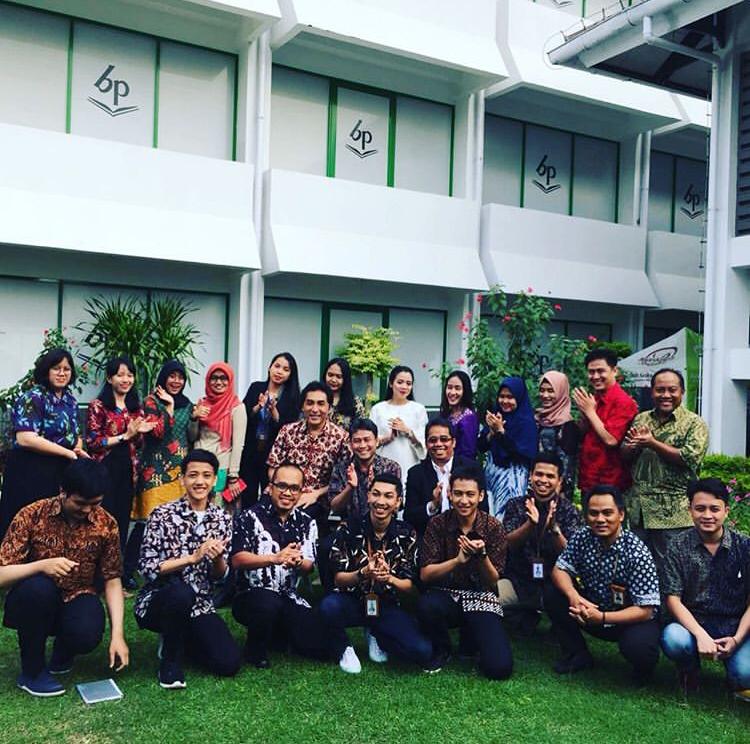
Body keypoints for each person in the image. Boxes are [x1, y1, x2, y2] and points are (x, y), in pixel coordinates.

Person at [0, 459, 128, 697]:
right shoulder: (32, 514)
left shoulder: (106, 524)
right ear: (63, 491)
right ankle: (32, 672)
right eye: (80, 503)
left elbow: (112, 579)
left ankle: (64, 650)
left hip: (77, 594)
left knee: (87, 631)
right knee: (38, 590)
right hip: (33, 597)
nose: (87, 510)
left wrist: (118, 635)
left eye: (95, 503)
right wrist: (42, 566)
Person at [135, 449, 241, 689]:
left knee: (228, 663)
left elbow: (220, 576)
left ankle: (183, 637)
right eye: (193, 475)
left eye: (206, 475)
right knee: (181, 593)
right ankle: (169, 660)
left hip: (200, 604)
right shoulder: (162, 514)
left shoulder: (222, 518)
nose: (199, 481)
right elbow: (147, 568)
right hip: (160, 599)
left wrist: (217, 559)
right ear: (182, 479)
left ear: (215, 480)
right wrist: (192, 558)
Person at [547, 485, 661, 683]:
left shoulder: (637, 552)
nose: (600, 519)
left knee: (640, 646)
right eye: (593, 513)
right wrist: (574, 596)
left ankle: (642, 671)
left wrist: (602, 618)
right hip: (590, 608)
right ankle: (577, 654)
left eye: (607, 513)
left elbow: (646, 610)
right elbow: (560, 569)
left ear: (621, 515)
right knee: (553, 594)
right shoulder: (583, 536)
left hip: (627, 619)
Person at [321, 473, 433, 673]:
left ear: (398, 502)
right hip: (352, 600)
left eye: (388, 496)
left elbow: (410, 587)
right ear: (368, 496)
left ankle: (376, 633)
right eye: (376, 494)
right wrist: (363, 573)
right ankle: (344, 648)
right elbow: (338, 579)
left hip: (385, 604)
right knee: (328, 607)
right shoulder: (349, 528)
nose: (381, 501)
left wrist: (389, 578)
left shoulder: (407, 534)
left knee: (422, 651)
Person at [231, 462, 337, 669]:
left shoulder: (307, 522)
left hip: (288, 596)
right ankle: (255, 649)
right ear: (270, 487)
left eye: (294, 488)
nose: (287, 493)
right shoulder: (250, 517)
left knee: (323, 647)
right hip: (252, 595)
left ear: (301, 492)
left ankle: (278, 635)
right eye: (282, 486)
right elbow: (237, 559)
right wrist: (274, 558)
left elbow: (309, 566)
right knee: (267, 605)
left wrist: (298, 562)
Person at [417, 464, 513, 680]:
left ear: (481, 496)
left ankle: (471, 642)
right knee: (426, 604)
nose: (463, 500)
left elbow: (494, 581)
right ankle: (442, 648)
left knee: (499, 668)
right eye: (458, 494)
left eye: (470, 494)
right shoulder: (438, 524)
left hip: (481, 597)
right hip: (446, 595)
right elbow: (425, 574)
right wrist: (457, 561)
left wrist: (482, 556)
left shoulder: (493, 527)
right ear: (449, 495)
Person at [661, 478, 750, 700]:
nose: (707, 515)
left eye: (714, 509)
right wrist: (701, 635)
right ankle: (689, 670)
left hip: (734, 625)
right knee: (674, 639)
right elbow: (672, 599)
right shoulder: (677, 546)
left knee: (744, 675)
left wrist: (736, 639)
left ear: (726, 511)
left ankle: (735, 671)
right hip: (694, 623)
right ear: (690, 510)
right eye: (700, 509)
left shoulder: (744, 546)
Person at [622, 368, 709, 576]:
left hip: (672, 514)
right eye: (660, 390)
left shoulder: (694, 423)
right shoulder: (641, 419)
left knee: (671, 572)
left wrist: (652, 443)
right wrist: (631, 447)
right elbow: (624, 456)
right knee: (637, 570)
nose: (666, 395)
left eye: (672, 390)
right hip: (638, 511)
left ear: (682, 392)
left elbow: (689, 458)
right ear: (652, 392)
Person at [0, 348, 87, 541]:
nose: (62, 373)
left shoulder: (70, 400)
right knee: (26, 525)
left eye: (66, 369)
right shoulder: (34, 397)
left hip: (59, 470)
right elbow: (26, 438)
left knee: (52, 526)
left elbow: (76, 434)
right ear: (46, 371)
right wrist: (67, 453)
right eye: (56, 368)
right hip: (30, 469)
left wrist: (77, 449)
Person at [124, 359, 194, 588]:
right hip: (155, 469)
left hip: (179, 470)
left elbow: (191, 435)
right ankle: (127, 571)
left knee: (175, 520)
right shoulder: (151, 402)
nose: (176, 381)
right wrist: (169, 407)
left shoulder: (188, 404)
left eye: (180, 377)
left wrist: (196, 418)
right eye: (172, 376)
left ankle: (171, 569)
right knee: (146, 521)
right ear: (163, 377)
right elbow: (157, 433)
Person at [499, 454, 582, 628]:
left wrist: (554, 529)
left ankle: (558, 627)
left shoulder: (569, 511)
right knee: (487, 601)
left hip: (554, 584)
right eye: (539, 474)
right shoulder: (516, 505)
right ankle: (522, 616)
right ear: (531, 476)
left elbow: (573, 556)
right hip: (518, 580)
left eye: (550, 476)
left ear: (559, 481)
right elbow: (507, 544)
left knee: (568, 600)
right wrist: (530, 525)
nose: (543, 480)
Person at [87, 356, 155, 557]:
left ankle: (118, 565)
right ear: (110, 378)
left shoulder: (135, 408)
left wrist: (140, 433)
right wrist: (125, 435)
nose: (126, 380)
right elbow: (93, 442)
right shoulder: (98, 406)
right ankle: (97, 563)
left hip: (127, 470)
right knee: (102, 517)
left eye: (130, 375)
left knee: (123, 519)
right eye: (120, 375)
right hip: (104, 468)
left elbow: (138, 444)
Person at [266, 381, 350, 523]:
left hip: (316, 499)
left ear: (329, 408)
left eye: (320, 404)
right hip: (282, 492)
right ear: (302, 406)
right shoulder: (287, 431)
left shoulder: (341, 438)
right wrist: (285, 490)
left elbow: (343, 480)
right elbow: (273, 467)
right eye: (310, 403)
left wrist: (316, 493)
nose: (315, 409)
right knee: (255, 515)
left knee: (297, 519)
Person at [239, 352, 301, 509]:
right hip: (251, 451)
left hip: (274, 455)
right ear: (269, 368)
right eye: (277, 366)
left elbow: (289, 428)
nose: (279, 372)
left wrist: (274, 412)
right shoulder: (256, 387)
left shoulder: (292, 397)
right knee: (248, 496)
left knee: (270, 498)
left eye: (286, 369)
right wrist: (258, 407)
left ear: (290, 374)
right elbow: (244, 415)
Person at [573, 348, 638, 495]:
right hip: (588, 477)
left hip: (610, 481)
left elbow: (611, 440)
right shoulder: (593, 399)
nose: (595, 376)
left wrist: (590, 412)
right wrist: (584, 415)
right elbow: (583, 434)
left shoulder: (623, 402)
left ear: (614, 371)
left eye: (600, 371)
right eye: (591, 372)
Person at [405, 418, 479, 536]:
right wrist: (433, 505)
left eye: (444, 439)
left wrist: (457, 501)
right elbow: (409, 516)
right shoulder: (416, 473)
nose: (438, 444)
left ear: (453, 442)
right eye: (433, 440)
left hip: (466, 536)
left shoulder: (472, 469)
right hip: (428, 537)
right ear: (426, 444)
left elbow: (483, 509)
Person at [478, 376, 537, 519]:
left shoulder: (526, 422)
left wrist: (501, 432)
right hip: (492, 476)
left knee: (508, 517)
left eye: (510, 397)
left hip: (513, 479)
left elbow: (521, 454)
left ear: (519, 398)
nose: (505, 401)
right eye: (502, 396)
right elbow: (480, 446)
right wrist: (491, 433)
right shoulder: (497, 416)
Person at [192, 362, 247, 513]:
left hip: (221, 466)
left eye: (223, 378)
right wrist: (194, 418)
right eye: (214, 378)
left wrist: (233, 476)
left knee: (215, 509)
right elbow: (192, 436)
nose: (218, 382)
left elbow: (238, 445)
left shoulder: (237, 407)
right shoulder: (202, 404)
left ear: (230, 381)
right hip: (198, 463)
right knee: (196, 507)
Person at [370, 365, 428, 485]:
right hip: (383, 464)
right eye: (400, 382)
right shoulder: (378, 409)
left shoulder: (419, 409)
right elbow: (369, 441)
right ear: (391, 383)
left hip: (410, 463)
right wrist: (387, 438)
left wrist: (408, 432)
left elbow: (424, 444)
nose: (404, 387)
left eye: (408, 383)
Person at [536, 371, 580, 499]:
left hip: (556, 488)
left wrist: (560, 489)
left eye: (551, 391)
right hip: (537, 482)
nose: (545, 395)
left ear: (561, 392)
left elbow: (567, 462)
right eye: (542, 390)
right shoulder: (540, 418)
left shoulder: (566, 424)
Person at [439, 370, 479, 460]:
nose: (452, 392)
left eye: (457, 388)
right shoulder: (447, 414)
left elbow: (468, 453)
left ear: (465, 391)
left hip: (460, 466)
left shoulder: (469, 418)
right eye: (449, 387)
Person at [323, 357, 365, 432]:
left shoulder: (355, 403)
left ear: (345, 379)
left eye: (338, 377)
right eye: (330, 375)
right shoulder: (316, 398)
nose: (333, 380)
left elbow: (361, 429)